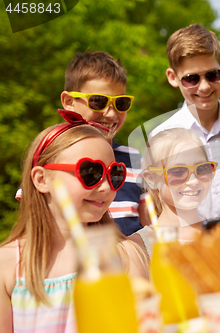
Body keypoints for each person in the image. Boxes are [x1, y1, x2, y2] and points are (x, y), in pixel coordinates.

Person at [0, 112, 148, 333]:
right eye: (90, 172)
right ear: (41, 179)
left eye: (114, 174)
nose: (106, 187)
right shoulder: (8, 264)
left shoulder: (124, 256)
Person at [149, 23, 220, 220]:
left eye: (212, 74)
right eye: (191, 78)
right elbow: (157, 203)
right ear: (173, 77)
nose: (204, 86)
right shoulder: (160, 136)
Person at [59, 51, 148, 236]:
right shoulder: (50, 154)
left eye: (121, 103)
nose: (111, 114)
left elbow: (149, 222)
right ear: (69, 101)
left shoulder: (134, 158)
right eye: (98, 101)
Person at [131, 128, 217, 257]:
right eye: (177, 172)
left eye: (202, 169)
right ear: (152, 179)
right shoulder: (138, 246)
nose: (193, 181)